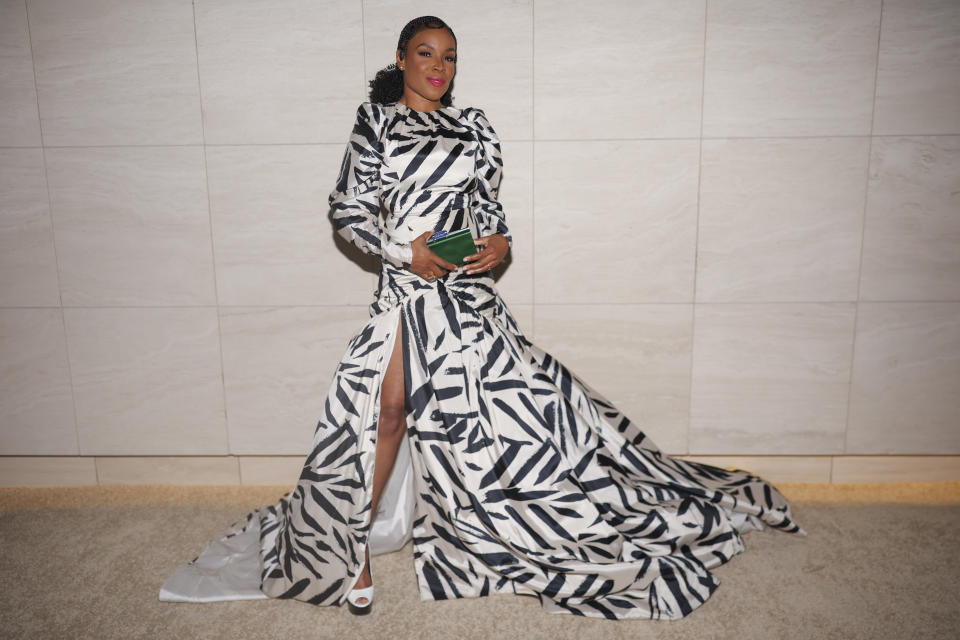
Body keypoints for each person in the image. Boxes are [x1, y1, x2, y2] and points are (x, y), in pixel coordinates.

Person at [160, 15, 804, 620]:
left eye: (449, 58)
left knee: (525, 409)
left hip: (467, 294)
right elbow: (349, 211)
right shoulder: (375, 122)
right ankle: (347, 548)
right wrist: (402, 250)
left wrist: (500, 244)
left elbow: (487, 210)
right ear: (401, 59)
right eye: (426, 54)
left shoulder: (474, 126)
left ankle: (543, 516)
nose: (439, 67)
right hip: (406, 292)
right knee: (383, 411)